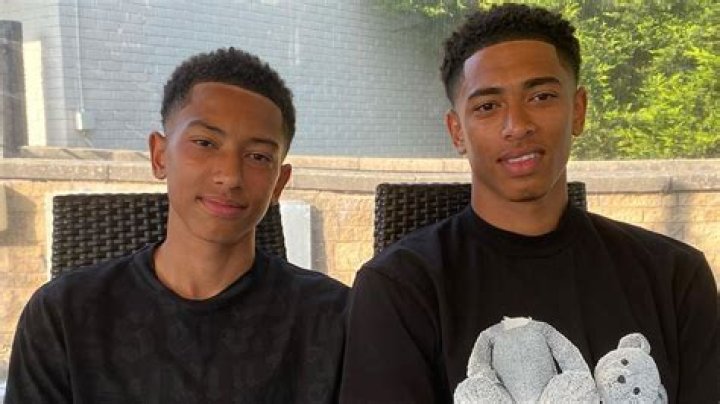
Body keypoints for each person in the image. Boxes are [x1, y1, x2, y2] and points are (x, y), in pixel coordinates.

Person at [340, 4, 717, 403]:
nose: (517, 125)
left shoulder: (674, 278)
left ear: (578, 110)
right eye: (488, 106)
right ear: (457, 131)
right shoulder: (400, 288)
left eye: (541, 96)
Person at [5, 48, 348, 403]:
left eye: (258, 157)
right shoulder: (66, 315)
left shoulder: (333, 319)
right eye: (205, 143)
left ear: (279, 182)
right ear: (159, 156)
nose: (230, 175)